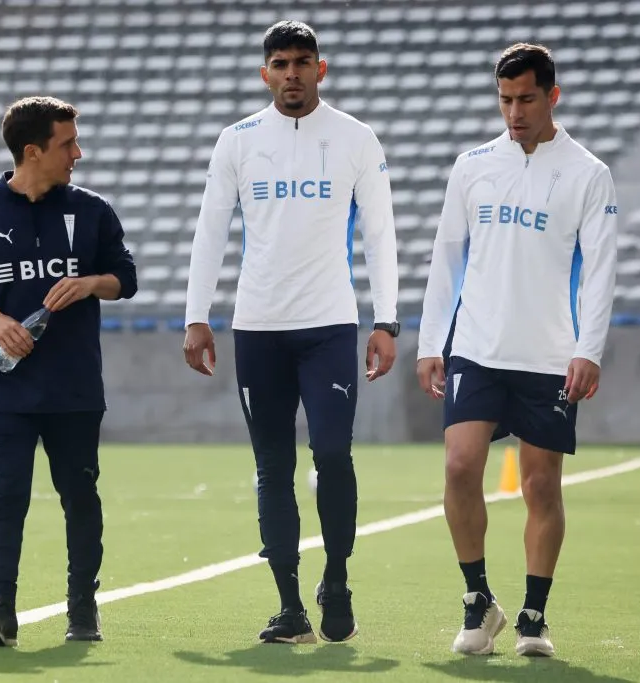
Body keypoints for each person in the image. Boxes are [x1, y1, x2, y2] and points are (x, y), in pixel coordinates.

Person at [182, 20, 400, 644]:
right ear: (265, 74)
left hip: (330, 325)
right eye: (281, 63)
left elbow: (380, 234)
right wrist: (196, 315)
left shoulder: (356, 139)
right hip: (259, 328)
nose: (292, 74)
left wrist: (386, 321)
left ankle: (335, 577)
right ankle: (289, 605)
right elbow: (211, 231)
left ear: (321, 69)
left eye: (303, 62)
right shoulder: (239, 140)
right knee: (272, 466)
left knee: (332, 453)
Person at [415, 43, 619, 658]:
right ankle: (478, 601)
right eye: (504, 100)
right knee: (458, 465)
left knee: (540, 486)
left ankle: (533, 615)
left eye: (526, 98)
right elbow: (447, 257)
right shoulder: (472, 165)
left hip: (549, 355)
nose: (514, 111)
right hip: (476, 346)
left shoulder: (588, 173)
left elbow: (601, 269)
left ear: (552, 96)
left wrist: (590, 349)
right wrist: (431, 343)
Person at [0, 96, 138, 647]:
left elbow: (127, 278)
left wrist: (91, 284)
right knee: (6, 497)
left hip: (74, 387)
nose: (78, 152)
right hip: (4, 388)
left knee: (80, 497)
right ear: (33, 151)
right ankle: (0, 611)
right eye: (67, 143)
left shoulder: (92, 211)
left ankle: (83, 611)